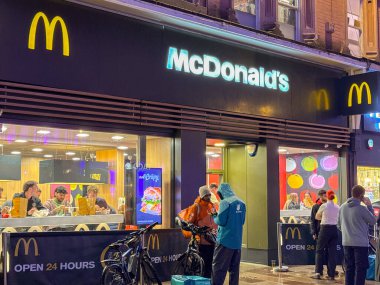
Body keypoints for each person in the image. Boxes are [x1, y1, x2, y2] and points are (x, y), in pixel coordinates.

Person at [338, 185, 377, 285]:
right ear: (361, 196)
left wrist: (347, 232)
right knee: (361, 269)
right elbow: (373, 221)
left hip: (346, 242)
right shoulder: (362, 209)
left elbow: (338, 225)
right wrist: (369, 206)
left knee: (349, 268)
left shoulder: (342, 207)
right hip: (360, 243)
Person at [211, 183, 246, 285]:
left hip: (224, 240)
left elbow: (221, 221)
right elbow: (242, 221)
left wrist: (214, 216)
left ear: (222, 192)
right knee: (234, 270)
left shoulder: (225, 202)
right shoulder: (241, 202)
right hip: (237, 241)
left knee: (218, 269)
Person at [185, 185, 218, 278]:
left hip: (211, 239)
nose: (208, 196)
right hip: (201, 241)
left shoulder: (211, 205)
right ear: (202, 196)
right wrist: (197, 235)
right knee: (202, 265)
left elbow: (215, 220)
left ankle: (208, 281)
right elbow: (189, 223)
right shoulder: (196, 207)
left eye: (209, 194)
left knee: (210, 264)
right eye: (206, 195)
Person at [312, 190, 339, 280]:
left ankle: (318, 272)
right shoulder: (337, 206)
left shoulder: (324, 206)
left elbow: (316, 217)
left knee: (319, 250)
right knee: (332, 252)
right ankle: (331, 274)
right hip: (334, 229)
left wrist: (324, 217)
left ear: (327, 196)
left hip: (324, 229)